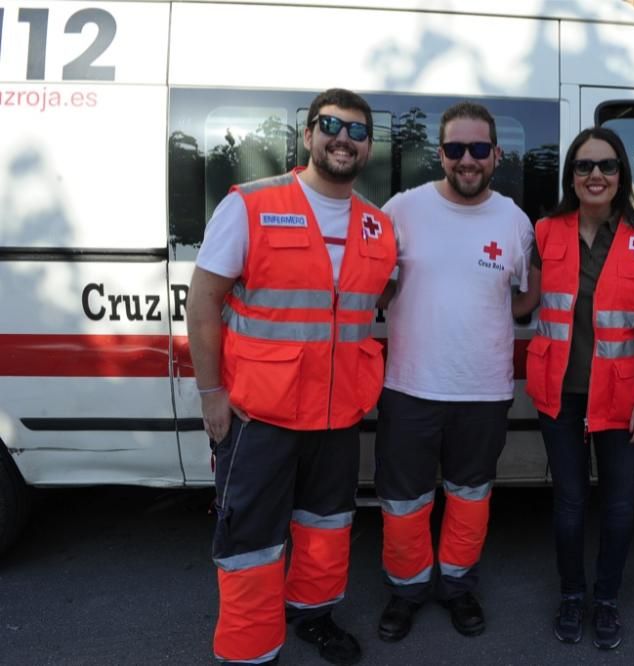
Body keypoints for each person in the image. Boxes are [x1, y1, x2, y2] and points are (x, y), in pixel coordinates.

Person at [187, 88, 396, 665]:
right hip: (260, 414)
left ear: (368, 147)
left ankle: (315, 616)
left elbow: (370, 303)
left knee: (326, 529)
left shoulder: (378, 227)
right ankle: (251, 650)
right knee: (251, 540)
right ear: (307, 136)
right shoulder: (251, 204)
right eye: (330, 125)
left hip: (337, 415)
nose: (342, 139)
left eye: (356, 131)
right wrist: (211, 395)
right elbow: (203, 303)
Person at [374, 102, 535, 642]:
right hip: (410, 386)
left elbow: (526, 294)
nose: (468, 160)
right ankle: (407, 589)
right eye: (456, 149)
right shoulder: (401, 209)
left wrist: (479, 315)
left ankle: (458, 585)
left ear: (497, 154)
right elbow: (378, 284)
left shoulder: (514, 220)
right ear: (440, 153)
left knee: (470, 497)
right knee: (403, 501)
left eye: (479, 149)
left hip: (483, 390)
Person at [517, 128, 634, 650]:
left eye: (607, 165)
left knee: (620, 505)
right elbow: (525, 302)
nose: (595, 174)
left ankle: (607, 600)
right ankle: (572, 596)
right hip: (559, 391)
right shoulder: (546, 231)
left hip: (623, 396)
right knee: (570, 502)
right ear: (570, 177)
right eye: (583, 166)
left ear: (621, 175)